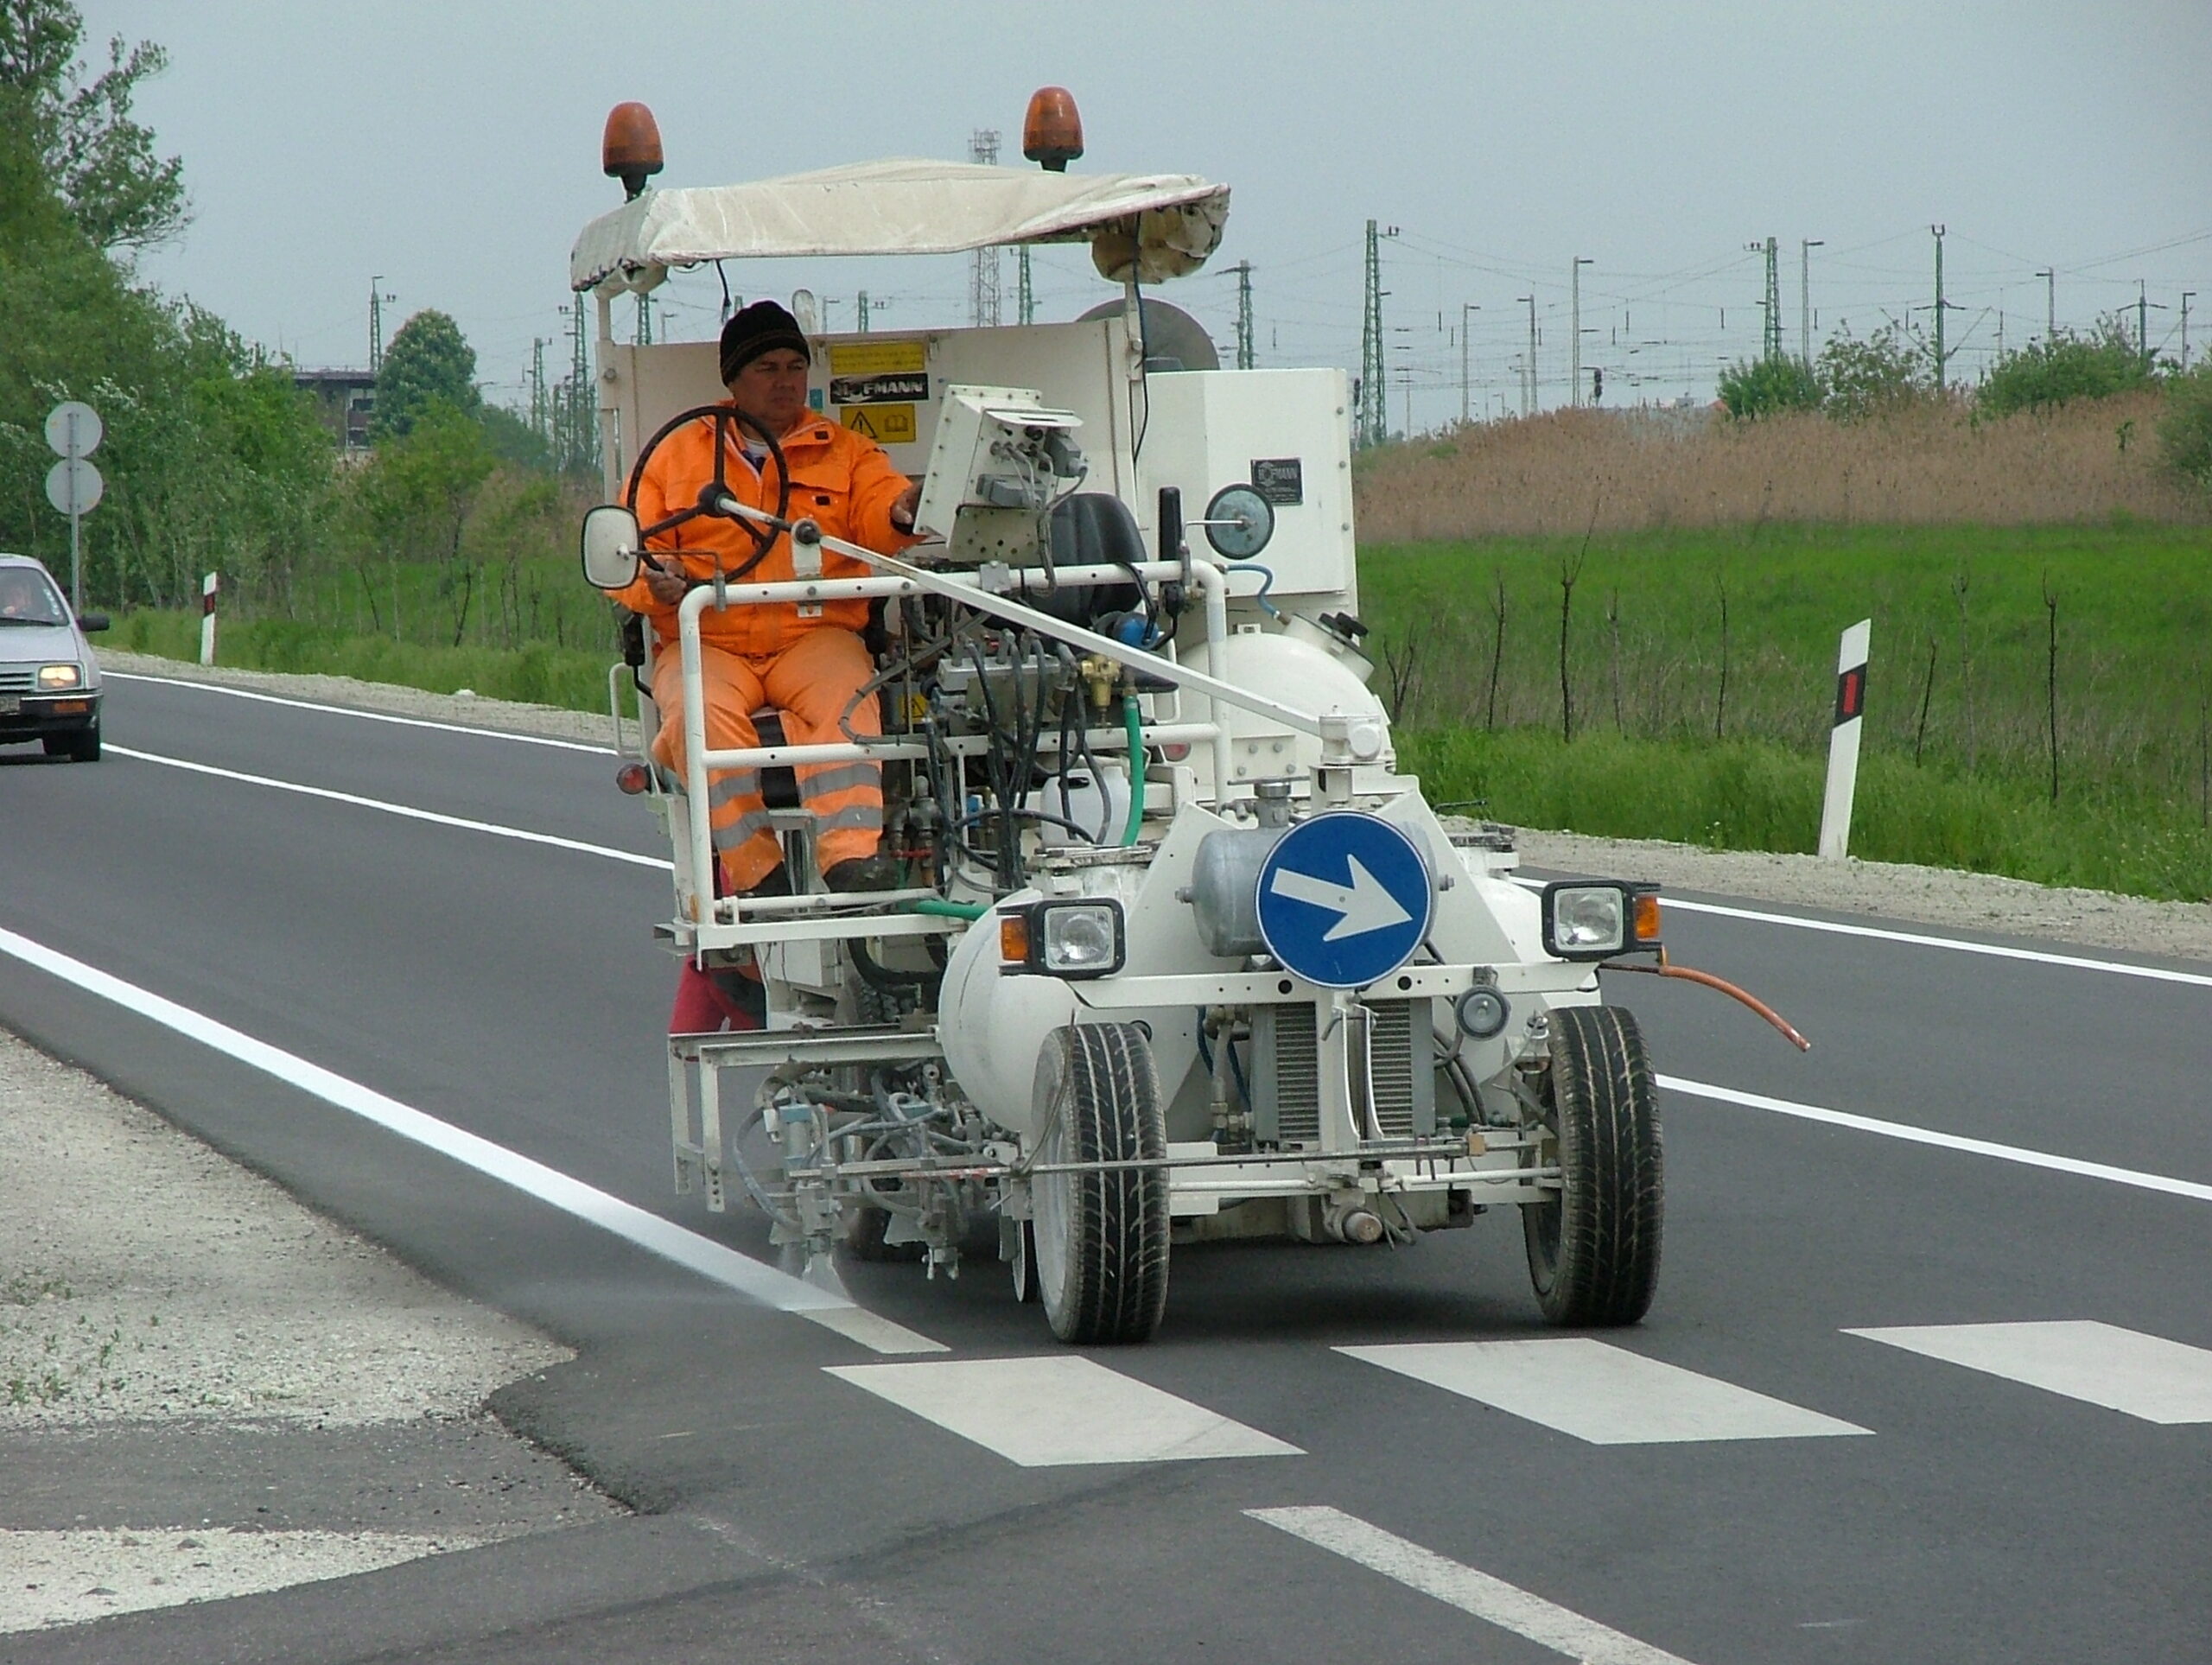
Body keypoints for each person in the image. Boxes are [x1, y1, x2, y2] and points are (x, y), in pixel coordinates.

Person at [613, 299, 923, 904]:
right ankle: (757, 872)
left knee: (847, 700)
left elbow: (881, 509)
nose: (785, 381)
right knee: (698, 715)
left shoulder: (847, 451)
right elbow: (627, 551)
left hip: (814, 636)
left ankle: (852, 861)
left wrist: (903, 510)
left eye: (794, 367)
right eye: (767, 368)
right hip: (708, 639)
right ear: (733, 380)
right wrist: (657, 580)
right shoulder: (676, 453)